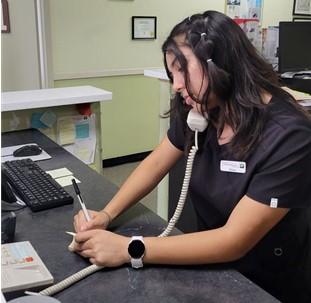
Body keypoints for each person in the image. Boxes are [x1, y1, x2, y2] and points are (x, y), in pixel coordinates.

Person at [73, 10, 311, 302]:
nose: (175, 84)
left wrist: (128, 249)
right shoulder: (201, 107)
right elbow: (157, 162)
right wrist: (107, 214)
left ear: (220, 65)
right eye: (172, 73)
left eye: (182, 70)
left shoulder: (289, 135)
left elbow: (234, 241)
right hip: (210, 267)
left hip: (267, 283)